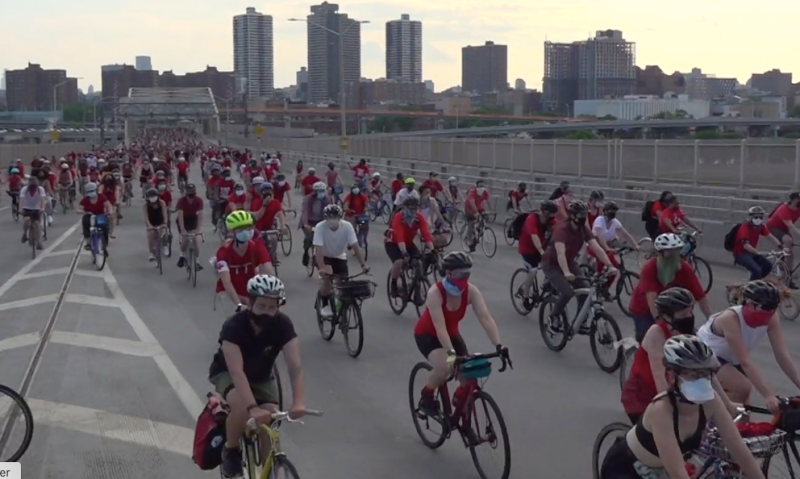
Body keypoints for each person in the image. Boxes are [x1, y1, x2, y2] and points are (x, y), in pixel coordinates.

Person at [600, 335, 767, 479]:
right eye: (694, 375)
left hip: (661, 471)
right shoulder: (661, 409)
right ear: (672, 377)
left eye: (705, 374)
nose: (702, 380)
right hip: (627, 470)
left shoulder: (711, 401)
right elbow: (678, 475)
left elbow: (740, 451)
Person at [208, 275, 307, 479]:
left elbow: (295, 366)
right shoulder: (234, 326)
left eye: (273, 308)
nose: (267, 313)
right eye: (261, 306)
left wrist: (298, 402)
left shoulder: (283, 325)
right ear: (250, 302)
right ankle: (231, 449)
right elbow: (236, 372)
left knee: (270, 420)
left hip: (261, 375)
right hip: (227, 372)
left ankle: (269, 468)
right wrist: (252, 407)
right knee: (242, 408)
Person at [413, 251, 509, 417]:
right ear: (449, 273)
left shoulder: (471, 291)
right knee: (446, 367)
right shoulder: (435, 293)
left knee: (470, 373)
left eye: (468, 273)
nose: (465, 278)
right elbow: (440, 329)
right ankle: (426, 395)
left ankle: (462, 411)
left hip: (452, 335)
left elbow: (485, 318)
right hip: (429, 335)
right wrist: (452, 355)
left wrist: (499, 345)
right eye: (460, 274)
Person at [622, 288, 737, 424]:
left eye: (690, 312)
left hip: (677, 390)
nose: (689, 317)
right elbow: (659, 376)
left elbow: (708, 372)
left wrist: (727, 403)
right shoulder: (657, 333)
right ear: (666, 317)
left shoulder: (689, 333)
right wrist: (669, 409)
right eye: (683, 315)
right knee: (659, 437)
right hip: (643, 395)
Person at [698, 280, 800, 412]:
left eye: (771, 311)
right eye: (764, 311)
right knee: (742, 387)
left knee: (744, 414)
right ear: (749, 304)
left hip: (729, 359)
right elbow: (745, 362)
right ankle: (710, 420)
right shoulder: (730, 319)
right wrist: (768, 395)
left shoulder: (772, 318)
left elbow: (782, 355)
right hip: (704, 356)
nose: (766, 317)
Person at [628, 233, 711, 342]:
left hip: (672, 310)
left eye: (676, 251)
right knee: (652, 341)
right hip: (645, 310)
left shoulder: (684, 269)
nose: (674, 256)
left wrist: (711, 320)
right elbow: (652, 301)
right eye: (669, 253)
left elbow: (700, 296)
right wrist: (662, 324)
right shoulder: (650, 269)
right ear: (659, 254)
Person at [313, 204, 369, 318]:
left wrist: (363, 265)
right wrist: (322, 267)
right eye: (330, 217)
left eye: (335, 217)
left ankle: (340, 310)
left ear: (340, 217)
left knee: (344, 284)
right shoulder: (320, 227)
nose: (333, 220)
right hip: (324, 256)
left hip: (339, 256)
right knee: (327, 280)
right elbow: (318, 250)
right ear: (325, 218)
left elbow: (355, 246)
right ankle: (324, 304)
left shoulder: (347, 226)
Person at [213, 211, 275, 308]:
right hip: (229, 292)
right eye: (241, 229)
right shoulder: (223, 252)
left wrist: (272, 292)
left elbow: (269, 269)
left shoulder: (257, 246)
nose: (246, 231)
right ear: (232, 232)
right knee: (235, 317)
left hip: (250, 290)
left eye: (248, 227)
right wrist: (239, 304)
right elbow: (226, 282)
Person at [386, 197, 434, 298]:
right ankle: (394, 285)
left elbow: (425, 234)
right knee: (399, 261)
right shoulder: (398, 217)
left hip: (408, 243)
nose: (413, 211)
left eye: (415, 208)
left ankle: (416, 284)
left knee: (419, 261)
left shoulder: (418, 217)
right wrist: (403, 252)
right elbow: (399, 236)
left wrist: (432, 249)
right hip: (393, 243)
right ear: (404, 208)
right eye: (411, 208)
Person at [515, 200, 558, 309]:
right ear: (546, 212)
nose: (553, 216)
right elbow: (534, 237)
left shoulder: (550, 220)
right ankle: (525, 296)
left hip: (541, 246)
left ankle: (547, 284)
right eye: (552, 213)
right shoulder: (532, 219)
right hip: (527, 249)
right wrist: (541, 251)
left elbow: (557, 232)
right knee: (532, 271)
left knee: (552, 265)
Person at [731, 206, 782, 280]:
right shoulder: (744, 227)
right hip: (741, 254)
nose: (758, 219)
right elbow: (746, 246)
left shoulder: (761, 227)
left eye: (760, 218)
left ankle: (756, 282)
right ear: (750, 217)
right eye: (756, 217)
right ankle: (751, 287)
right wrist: (758, 252)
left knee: (768, 266)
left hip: (752, 253)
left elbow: (770, 237)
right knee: (756, 270)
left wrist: (781, 246)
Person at [766, 192, 800, 288]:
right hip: (773, 227)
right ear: (793, 200)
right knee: (788, 241)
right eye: (798, 199)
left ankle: (788, 277)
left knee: (790, 253)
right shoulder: (784, 209)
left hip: (784, 228)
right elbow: (791, 226)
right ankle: (781, 265)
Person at [252, 183, 288, 261]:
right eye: (265, 192)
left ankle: (272, 255)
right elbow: (258, 217)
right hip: (258, 227)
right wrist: (264, 205)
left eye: (270, 191)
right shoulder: (256, 202)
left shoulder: (275, 202)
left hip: (269, 226)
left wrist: (283, 226)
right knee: (258, 243)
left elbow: (280, 214)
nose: (268, 194)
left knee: (274, 239)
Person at [300, 181, 333, 267]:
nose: (321, 193)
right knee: (308, 238)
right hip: (310, 221)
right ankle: (306, 252)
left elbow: (331, 210)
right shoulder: (308, 199)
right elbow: (305, 212)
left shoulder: (327, 199)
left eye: (322, 191)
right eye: (319, 191)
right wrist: (305, 224)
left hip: (321, 221)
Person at [175, 183, 205, 271]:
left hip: (194, 219)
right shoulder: (181, 201)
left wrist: (198, 229)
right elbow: (180, 216)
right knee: (185, 239)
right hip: (184, 219)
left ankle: (197, 261)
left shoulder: (199, 200)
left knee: (196, 239)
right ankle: (182, 256)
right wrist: (183, 229)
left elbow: (200, 216)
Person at [77, 183, 112, 253]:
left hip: (100, 216)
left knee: (105, 227)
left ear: (96, 190)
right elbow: (79, 209)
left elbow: (108, 205)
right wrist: (84, 212)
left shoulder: (101, 197)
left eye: (92, 191)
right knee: (85, 221)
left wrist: (109, 211)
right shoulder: (85, 200)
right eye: (89, 191)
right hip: (90, 217)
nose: (91, 193)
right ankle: (88, 243)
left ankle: (104, 245)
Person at [19, 176, 48, 250]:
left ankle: (39, 243)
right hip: (26, 208)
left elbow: (42, 199)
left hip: (37, 209)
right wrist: (20, 209)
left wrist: (42, 208)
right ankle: (25, 234)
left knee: (37, 225)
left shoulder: (40, 189)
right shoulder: (24, 190)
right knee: (26, 220)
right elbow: (21, 200)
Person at [464, 179, 492, 252]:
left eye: (483, 186)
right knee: (471, 223)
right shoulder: (472, 191)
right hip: (469, 208)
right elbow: (471, 202)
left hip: (479, 207)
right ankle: (469, 241)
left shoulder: (485, 192)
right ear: (476, 186)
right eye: (480, 186)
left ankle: (479, 228)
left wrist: (491, 211)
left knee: (485, 217)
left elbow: (488, 201)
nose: (481, 188)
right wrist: (475, 212)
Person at [143, 188, 169, 261]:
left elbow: (165, 215)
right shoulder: (145, 206)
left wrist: (165, 223)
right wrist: (149, 225)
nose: (152, 198)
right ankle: (151, 253)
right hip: (151, 223)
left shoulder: (162, 203)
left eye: (153, 196)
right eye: (150, 196)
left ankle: (165, 245)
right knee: (151, 236)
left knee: (164, 233)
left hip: (161, 222)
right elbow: (146, 218)